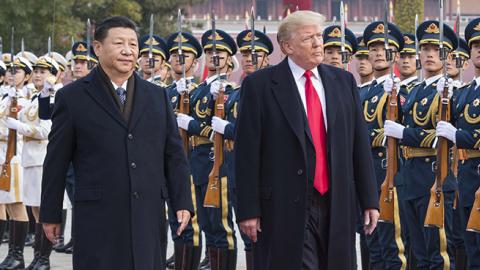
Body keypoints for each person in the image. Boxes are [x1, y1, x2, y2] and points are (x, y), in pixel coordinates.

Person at [39, 16, 194, 270]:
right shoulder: (73, 97)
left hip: (147, 212)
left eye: (133, 44)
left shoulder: (157, 96)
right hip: (99, 215)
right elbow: (56, 160)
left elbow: (173, 155)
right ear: (98, 48)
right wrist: (50, 213)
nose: (128, 51)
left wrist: (182, 201)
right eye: (119, 43)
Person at [234, 11, 379, 269]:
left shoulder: (343, 82)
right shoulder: (260, 86)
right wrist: (247, 209)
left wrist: (369, 199)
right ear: (287, 46)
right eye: (308, 38)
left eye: (319, 36)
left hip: (336, 200)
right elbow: (246, 153)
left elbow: (359, 144)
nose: (318, 43)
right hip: (283, 204)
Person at [384, 20, 458, 269]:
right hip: (409, 177)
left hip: (432, 175)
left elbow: (438, 137)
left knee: (438, 252)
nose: (429, 55)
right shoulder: (415, 90)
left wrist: (404, 132)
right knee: (418, 253)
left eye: (437, 50)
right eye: (425, 49)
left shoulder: (448, 90)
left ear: (446, 55)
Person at [210, 28, 274, 270]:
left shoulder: (274, 89)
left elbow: (265, 133)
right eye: (245, 53)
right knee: (248, 236)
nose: (249, 58)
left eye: (256, 53)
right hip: (238, 169)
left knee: (268, 236)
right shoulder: (237, 92)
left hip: (266, 172)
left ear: (267, 57)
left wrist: (228, 129)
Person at [437, 17, 480, 269]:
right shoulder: (464, 92)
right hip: (465, 181)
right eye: (475, 45)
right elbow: (439, 124)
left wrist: (458, 136)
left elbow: (456, 133)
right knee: (468, 249)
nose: (479, 50)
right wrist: (442, 96)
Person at [164, 30, 203, 270]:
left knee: (190, 224)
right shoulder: (163, 93)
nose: (179, 59)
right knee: (174, 223)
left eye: (185, 55)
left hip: (195, 161)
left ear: (195, 63)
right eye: (175, 55)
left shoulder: (204, 92)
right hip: (167, 163)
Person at [0, 56, 33, 270]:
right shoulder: (7, 96)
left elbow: (19, 131)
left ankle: (18, 256)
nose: (13, 75)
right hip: (3, 157)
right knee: (9, 207)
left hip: (15, 158)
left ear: (27, 76)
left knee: (18, 206)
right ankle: (12, 255)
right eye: (11, 71)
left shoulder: (27, 99)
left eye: (18, 72)